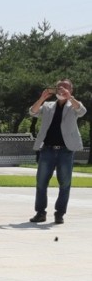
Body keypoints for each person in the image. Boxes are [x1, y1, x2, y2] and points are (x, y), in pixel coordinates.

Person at [28, 80, 86, 224]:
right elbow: (33, 112)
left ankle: (59, 213)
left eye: (66, 87)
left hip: (66, 151)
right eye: (59, 87)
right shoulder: (48, 106)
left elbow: (82, 111)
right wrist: (42, 98)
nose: (62, 89)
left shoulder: (72, 106)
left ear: (71, 90)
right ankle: (40, 213)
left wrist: (70, 98)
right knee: (41, 183)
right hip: (47, 149)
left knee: (65, 184)